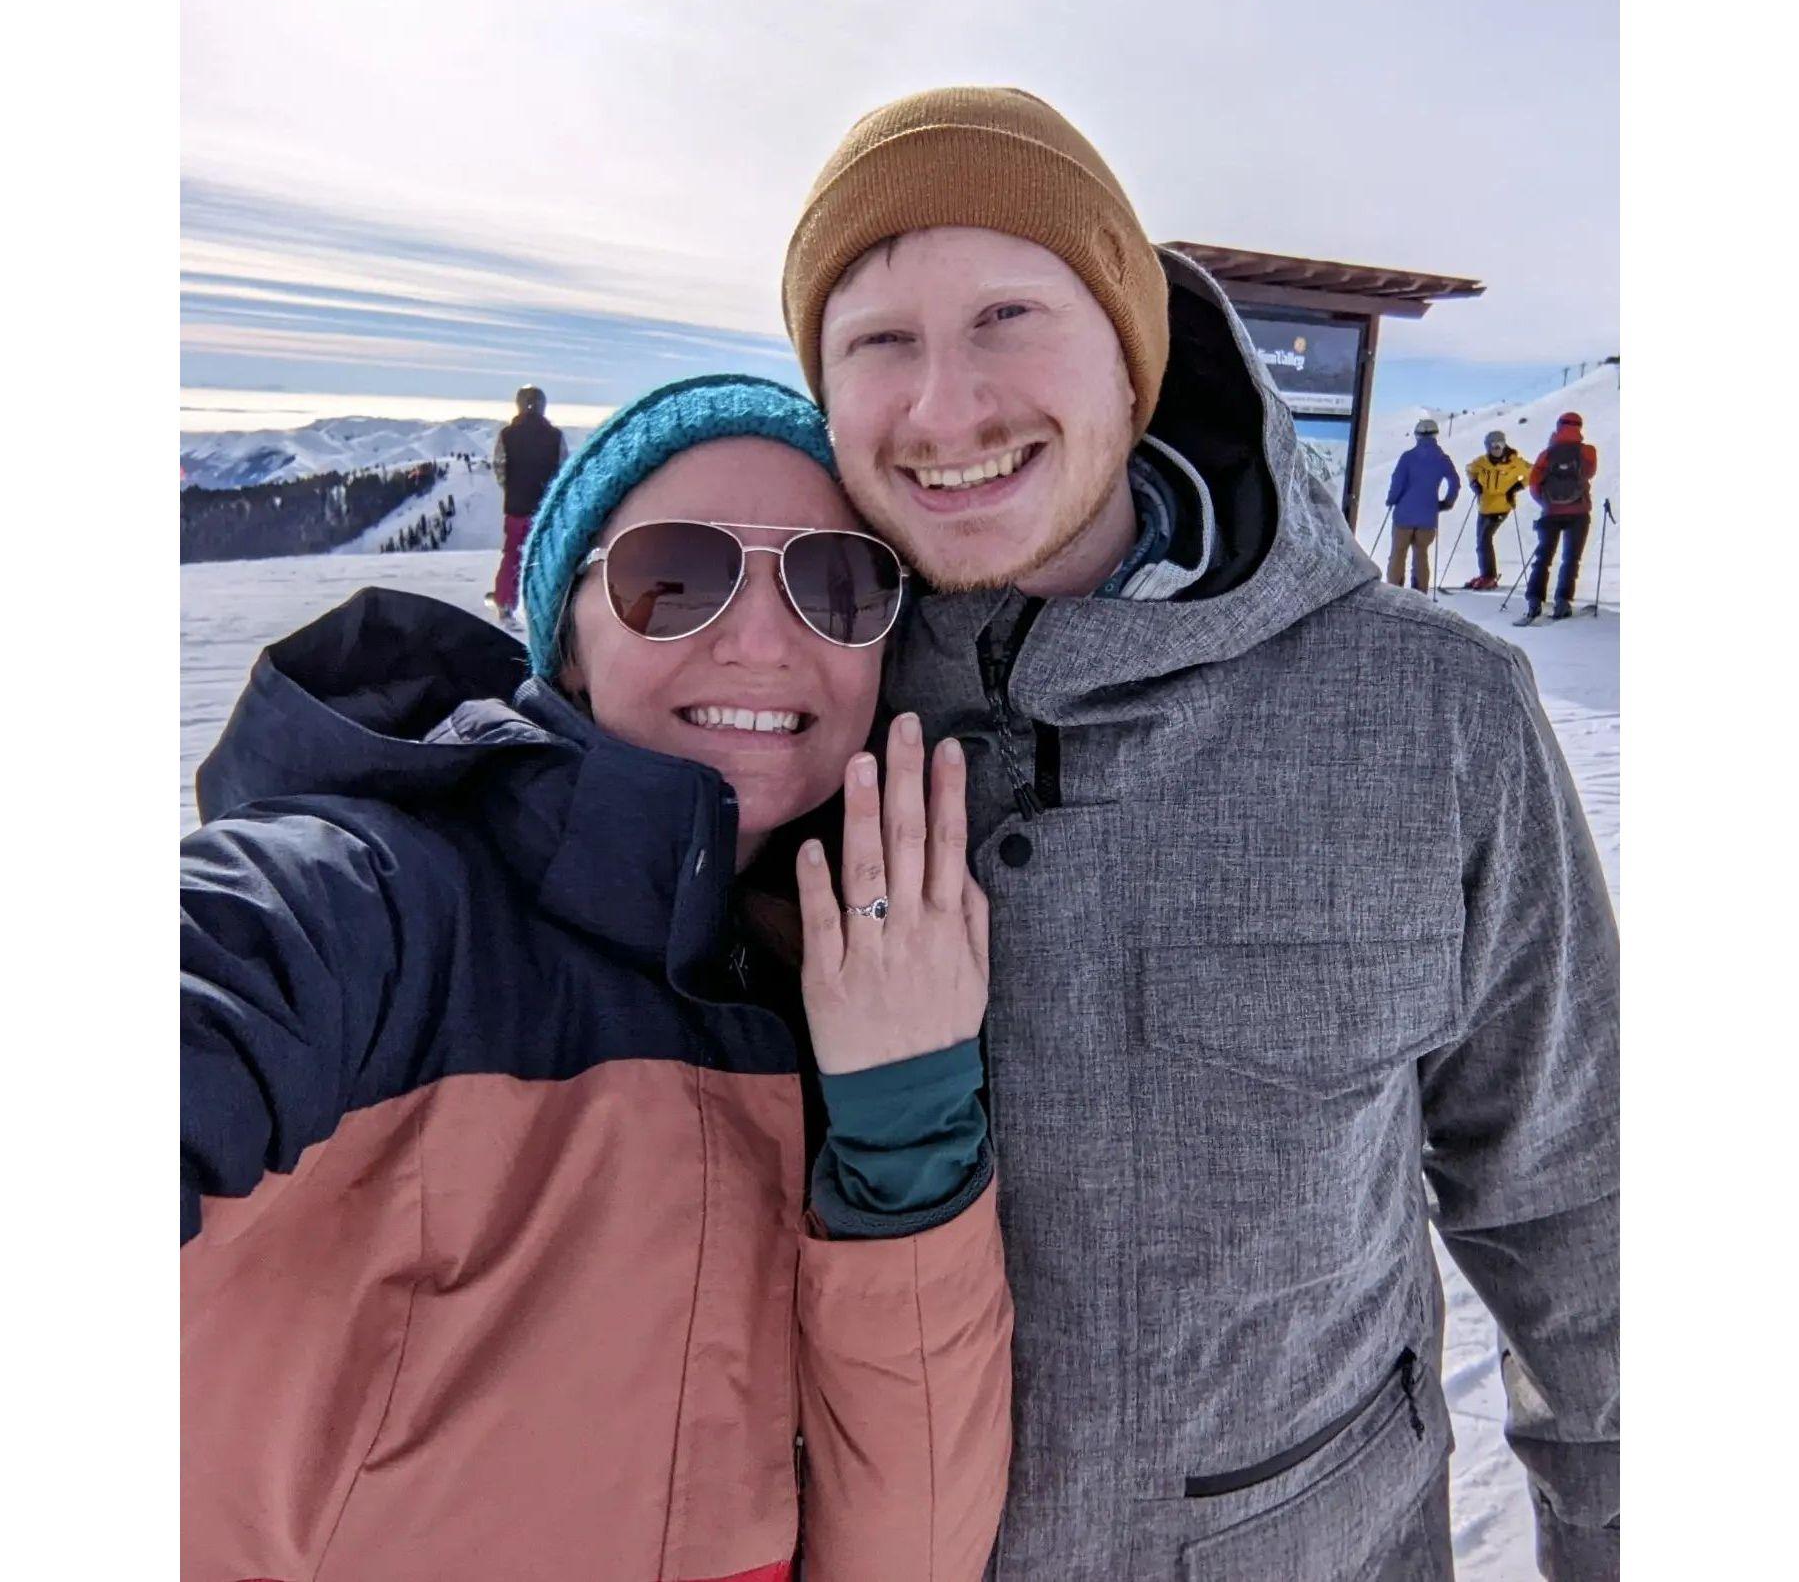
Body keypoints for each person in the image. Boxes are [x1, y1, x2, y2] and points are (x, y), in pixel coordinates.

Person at [781, 87, 1619, 1579]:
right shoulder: (773, 709)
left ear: (1128, 347)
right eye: (876, 340)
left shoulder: (1430, 711)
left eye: (1004, 315)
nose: (945, 406)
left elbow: (1571, 1192)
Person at [181, 375, 1013, 1582]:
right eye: (675, 574)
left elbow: (911, 1551)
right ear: (565, 637)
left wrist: (908, 1128)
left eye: (836, 582)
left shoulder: (861, 976)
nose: (766, 636)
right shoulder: (385, 904)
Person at [486, 383, 567, 624]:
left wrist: (512, 489)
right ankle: (543, 606)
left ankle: (505, 603)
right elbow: (563, 470)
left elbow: (499, 467)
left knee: (512, 554)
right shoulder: (555, 436)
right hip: (545, 508)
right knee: (543, 557)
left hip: (516, 507)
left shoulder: (507, 435)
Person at [1519, 410, 1601, 623]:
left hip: (1551, 514)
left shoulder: (1546, 454)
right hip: (1579, 512)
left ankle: (1534, 601)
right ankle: (1563, 601)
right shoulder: (1587, 451)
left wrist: (1547, 503)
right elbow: (1590, 473)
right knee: (1571, 559)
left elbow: (1534, 483)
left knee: (1543, 558)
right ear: (1579, 427)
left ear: (1558, 426)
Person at [1384, 417, 1461, 592]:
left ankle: (1393, 591)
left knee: (1398, 554)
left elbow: (1398, 481)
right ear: (1435, 435)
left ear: (1417, 435)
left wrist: (1392, 499)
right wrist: (1447, 502)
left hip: (1403, 515)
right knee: (1421, 555)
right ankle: (1420, 592)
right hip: (1428, 516)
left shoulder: (1408, 457)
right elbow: (1455, 482)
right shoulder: (1442, 459)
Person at [1462, 428, 1532, 590]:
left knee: (1485, 539)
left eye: (1500, 445)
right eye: (1493, 445)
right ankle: (1486, 574)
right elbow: (1470, 469)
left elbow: (1533, 472)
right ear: (1487, 446)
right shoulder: (1482, 462)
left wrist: (1517, 486)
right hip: (1484, 506)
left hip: (1502, 507)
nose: (1497, 449)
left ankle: (1489, 576)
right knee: (1481, 542)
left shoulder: (1514, 462)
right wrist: (1474, 484)